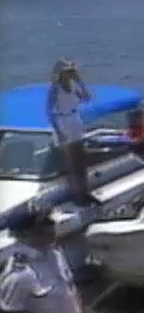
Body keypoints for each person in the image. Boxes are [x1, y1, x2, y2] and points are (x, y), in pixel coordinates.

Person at [46, 60, 96, 206]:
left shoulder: (73, 85)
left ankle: (83, 192)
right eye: (68, 71)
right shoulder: (54, 88)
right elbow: (49, 112)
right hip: (64, 122)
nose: (70, 74)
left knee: (80, 159)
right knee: (72, 161)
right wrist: (58, 131)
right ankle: (77, 195)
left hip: (75, 120)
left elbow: (87, 98)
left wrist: (80, 82)